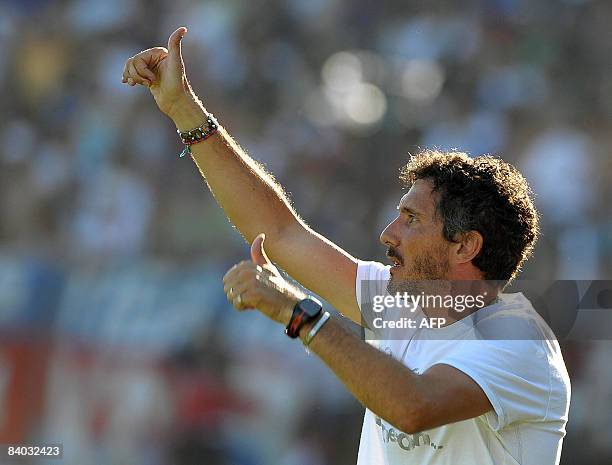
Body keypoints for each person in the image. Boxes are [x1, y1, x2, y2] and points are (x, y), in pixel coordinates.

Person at [122, 27, 571, 465]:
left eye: (412, 220)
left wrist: (300, 313)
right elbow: (279, 233)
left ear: (465, 246)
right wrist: (183, 109)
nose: (387, 233)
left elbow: (414, 407)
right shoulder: (401, 303)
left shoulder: (518, 340)